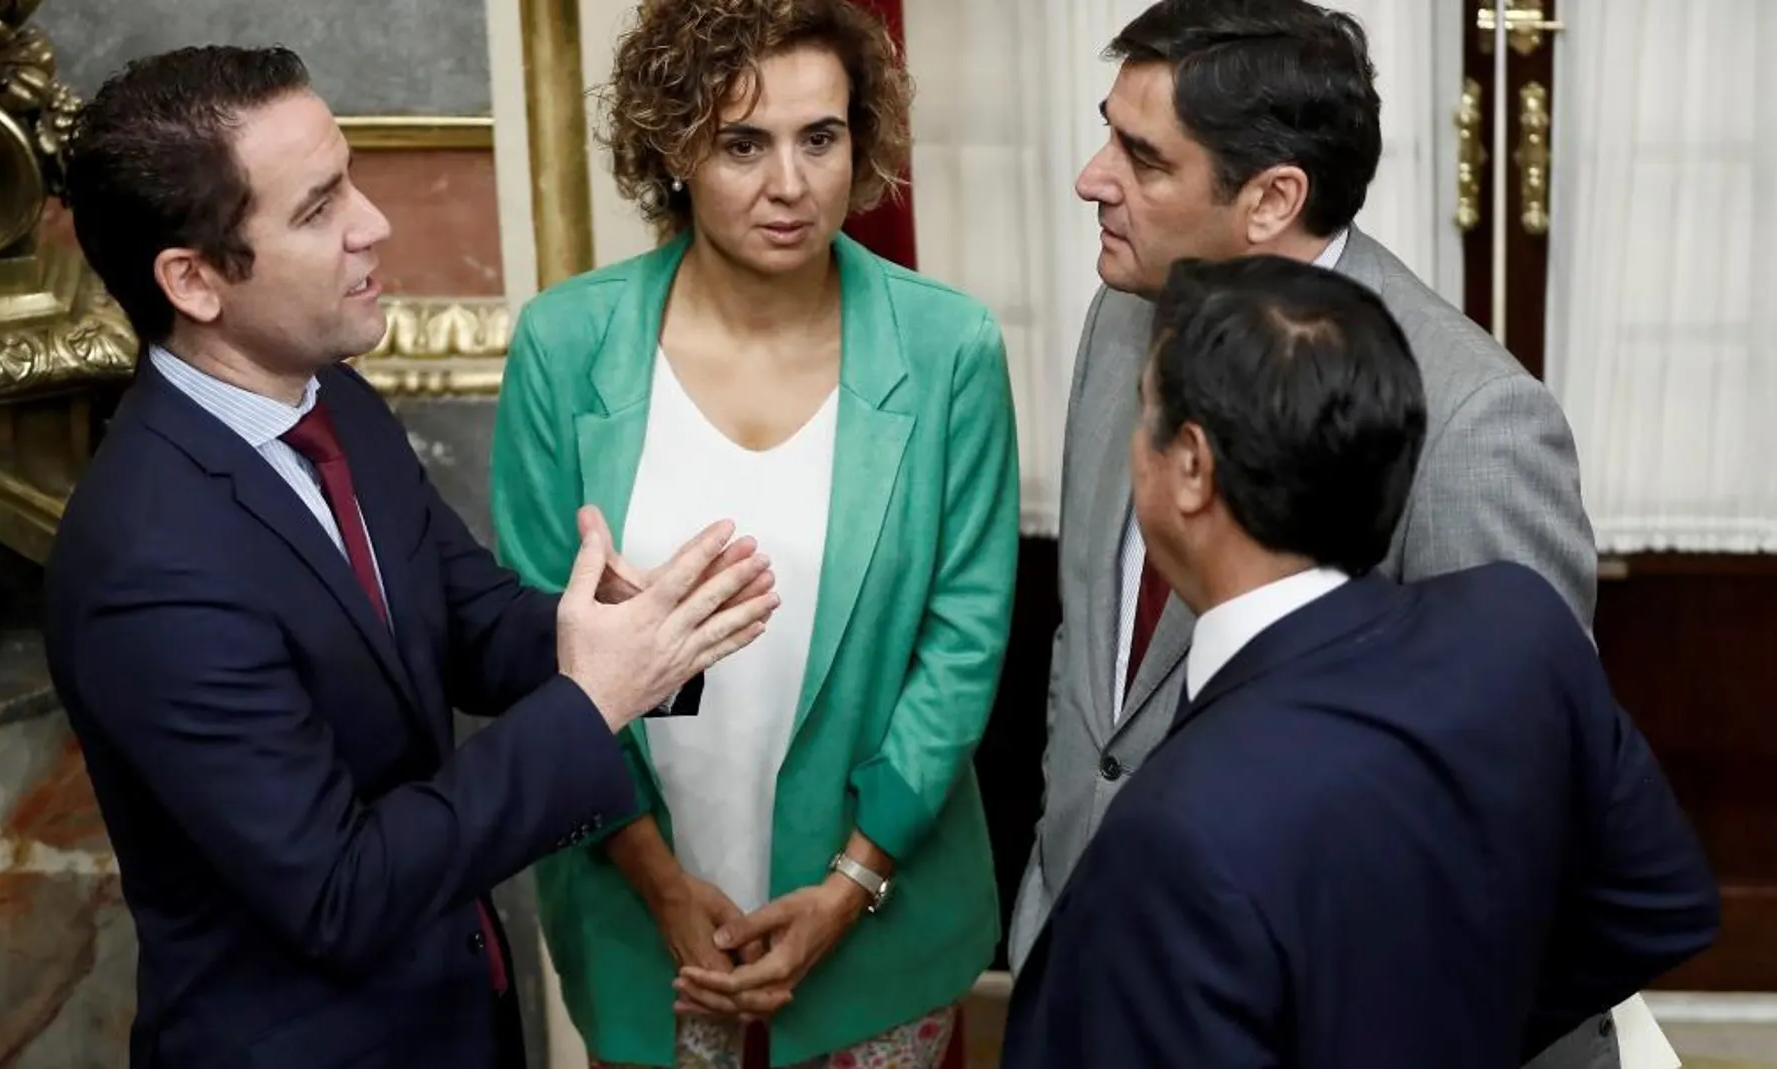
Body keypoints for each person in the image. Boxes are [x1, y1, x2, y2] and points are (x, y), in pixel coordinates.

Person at [46, 46, 777, 1069]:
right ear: (194, 280)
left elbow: (465, 619)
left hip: (454, 1014)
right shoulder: (147, 565)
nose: (372, 223)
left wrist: (640, 629)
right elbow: (338, 891)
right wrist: (590, 700)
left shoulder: (329, 397)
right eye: (315, 209)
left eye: (348, 174)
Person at [1011, 1, 1614, 1062]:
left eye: (1141, 157)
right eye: (1107, 131)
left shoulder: (1471, 425)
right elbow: (1090, 648)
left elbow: (1509, 813)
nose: (1090, 178)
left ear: (1270, 199)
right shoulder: (1125, 314)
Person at [1002, 254, 1719, 1069]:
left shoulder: (1171, 834)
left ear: (1193, 468)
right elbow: (1660, 903)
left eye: (1144, 415)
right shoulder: (1521, 626)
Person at [488, 1, 1019, 1066]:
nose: (791, 184)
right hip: (647, 921)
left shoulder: (948, 345)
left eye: (820, 137)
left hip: (883, 913)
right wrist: (659, 881)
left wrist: (850, 885)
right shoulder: (565, 344)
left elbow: (963, 642)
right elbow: (539, 646)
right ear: (671, 146)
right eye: (743, 143)